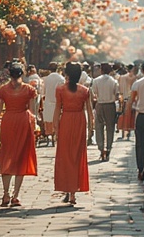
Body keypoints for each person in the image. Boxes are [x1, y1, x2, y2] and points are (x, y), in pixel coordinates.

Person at [0, 62, 38, 207]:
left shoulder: (3, 90)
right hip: (23, 121)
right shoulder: (29, 89)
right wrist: (34, 125)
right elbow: (33, 111)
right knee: (21, 157)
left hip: (8, 121)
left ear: (9, 74)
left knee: (7, 155)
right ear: (22, 74)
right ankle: (16, 195)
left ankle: (5, 194)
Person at [54, 62, 94, 205]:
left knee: (65, 155)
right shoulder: (84, 90)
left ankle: (68, 188)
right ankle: (72, 193)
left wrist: (55, 128)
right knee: (77, 155)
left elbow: (57, 109)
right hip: (79, 121)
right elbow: (89, 110)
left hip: (66, 121)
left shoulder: (60, 89)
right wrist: (91, 128)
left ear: (67, 74)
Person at [91, 62, 119, 161]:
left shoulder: (96, 80)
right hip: (110, 105)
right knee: (110, 127)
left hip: (100, 104)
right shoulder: (114, 81)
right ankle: (108, 148)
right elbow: (116, 94)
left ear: (101, 70)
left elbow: (94, 93)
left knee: (99, 127)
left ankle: (101, 148)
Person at [42, 62, 65, 145]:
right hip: (57, 102)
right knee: (56, 119)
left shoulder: (46, 78)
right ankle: (55, 136)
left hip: (48, 101)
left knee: (48, 120)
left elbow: (43, 91)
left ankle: (49, 136)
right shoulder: (61, 78)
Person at [117, 63, 138, 139]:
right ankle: (129, 132)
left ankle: (123, 134)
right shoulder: (135, 78)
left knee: (123, 115)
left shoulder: (121, 77)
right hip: (132, 99)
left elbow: (119, 89)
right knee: (131, 116)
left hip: (124, 98)